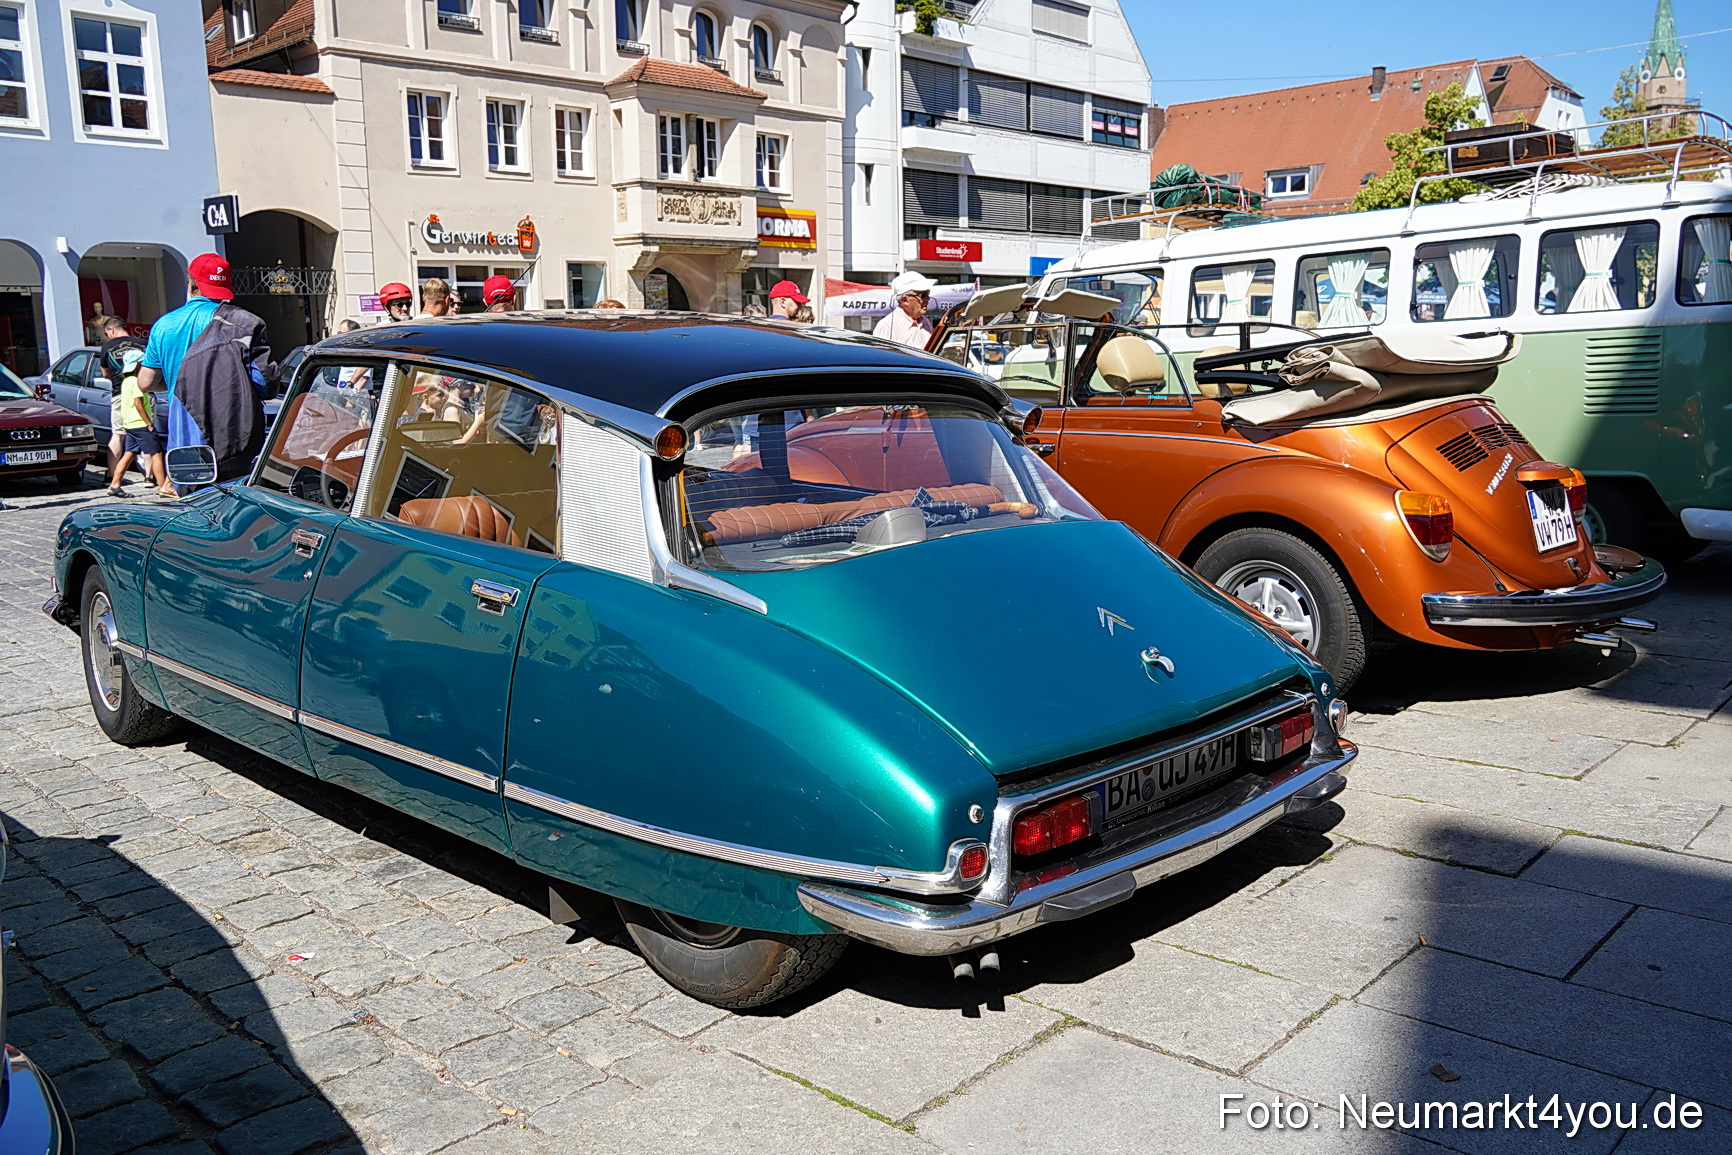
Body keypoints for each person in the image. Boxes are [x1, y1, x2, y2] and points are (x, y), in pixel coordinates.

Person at [136, 252, 277, 483]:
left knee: (193, 508)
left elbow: (146, 382)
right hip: (235, 436)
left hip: (185, 437)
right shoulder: (244, 322)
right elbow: (265, 384)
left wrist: (175, 379)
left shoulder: (164, 325)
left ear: (190, 282)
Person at [108, 349, 169, 498]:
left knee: (129, 454)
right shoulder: (136, 382)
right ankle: (164, 488)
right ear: (137, 365)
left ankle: (114, 485)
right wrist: (149, 423)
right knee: (157, 454)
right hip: (140, 424)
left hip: (129, 424)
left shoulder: (126, 381)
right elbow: (138, 404)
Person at [96, 315, 145, 475]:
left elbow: (105, 374)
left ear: (111, 329)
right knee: (146, 434)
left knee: (118, 435)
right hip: (144, 392)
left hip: (120, 393)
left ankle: (112, 474)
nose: (108, 336)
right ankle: (150, 477)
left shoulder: (107, 347)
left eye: (107, 333)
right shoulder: (142, 343)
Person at [872, 271, 937, 348]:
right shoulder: (887, 326)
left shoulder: (925, 321)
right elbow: (882, 358)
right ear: (905, 299)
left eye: (927, 293)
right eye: (923, 295)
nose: (928, 298)